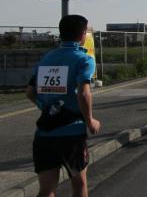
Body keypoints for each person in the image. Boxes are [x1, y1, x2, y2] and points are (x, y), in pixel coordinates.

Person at [25, 15, 101, 197]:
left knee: (46, 189)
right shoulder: (83, 59)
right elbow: (83, 93)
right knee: (79, 184)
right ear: (83, 34)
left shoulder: (47, 58)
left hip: (44, 132)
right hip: (71, 132)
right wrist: (90, 121)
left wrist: (48, 108)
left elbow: (29, 92)